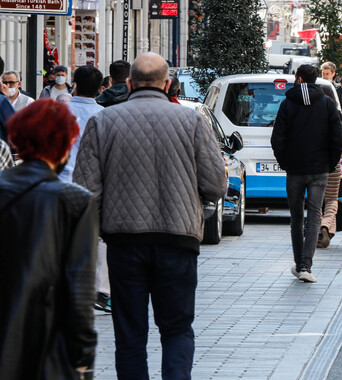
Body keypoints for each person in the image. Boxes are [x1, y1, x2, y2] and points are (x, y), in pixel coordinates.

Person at [74, 53, 227, 379]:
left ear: (128, 83)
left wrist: (104, 223)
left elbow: (86, 190)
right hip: (178, 239)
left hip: (124, 241)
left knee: (129, 333)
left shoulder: (103, 122)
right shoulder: (193, 121)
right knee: (177, 328)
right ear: (167, 83)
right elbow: (216, 184)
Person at [0, 100, 97, 380]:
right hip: (44, 347)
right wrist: (83, 358)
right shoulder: (75, 201)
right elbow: (80, 291)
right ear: (66, 143)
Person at [271, 64, 342, 282]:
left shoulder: (287, 104)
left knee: (296, 216)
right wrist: (330, 163)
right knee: (314, 214)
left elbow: (277, 138)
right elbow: (337, 137)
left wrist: (284, 162)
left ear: (300, 79)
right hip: (319, 169)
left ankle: (298, 262)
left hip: (294, 169)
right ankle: (306, 266)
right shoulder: (327, 103)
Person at [60, 65, 110, 312]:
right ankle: (100, 291)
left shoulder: (59, 111)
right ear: (101, 89)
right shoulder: (104, 116)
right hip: (93, 186)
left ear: (73, 83)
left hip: (61, 182)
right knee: (98, 237)